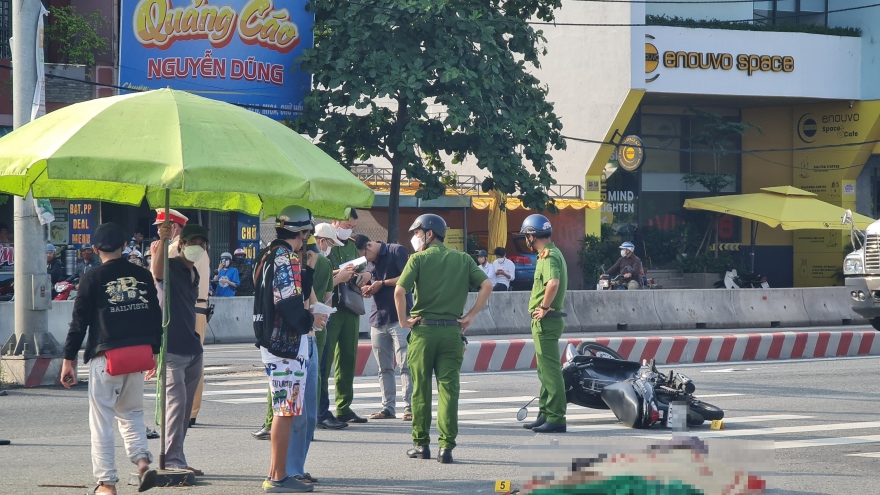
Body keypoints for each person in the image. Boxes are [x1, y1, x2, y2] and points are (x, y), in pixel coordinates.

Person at [60, 222, 162, 494]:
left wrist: (68, 359)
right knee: (132, 413)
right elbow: (155, 314)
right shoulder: (142, 275)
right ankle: (142, 461)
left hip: (107, 356)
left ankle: (106, 483)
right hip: (139, 355)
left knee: (102, 421)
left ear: (95, 249)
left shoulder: (91, 277)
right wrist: (155, 351)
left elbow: (78, 322)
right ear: (124, 247)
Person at [395, 214, 493, 464]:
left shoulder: (417, 259)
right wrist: (470, 316)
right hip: (452, 332)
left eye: (417, 233)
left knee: (421, 390)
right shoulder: (462, 258)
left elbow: (399, 290)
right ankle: (446, 448)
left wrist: (405, 321)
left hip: (423, 332)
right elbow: (487, 285)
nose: (415, 238)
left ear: (429, 234)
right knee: (449, 390)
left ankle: (421, 444)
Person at [253, 205, 328, 493]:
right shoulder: (284, 257)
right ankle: (278, 476)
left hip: (272, 342)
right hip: (286, 344)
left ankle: (278, 472)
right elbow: (288, 302)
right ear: (302, 232)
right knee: (285, 412)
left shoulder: (267, 254)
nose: (307, 239)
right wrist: (311, 319)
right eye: (307, 233)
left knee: (284, 410)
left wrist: (306, 269)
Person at [149, 222, 209, 476]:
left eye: (202, 244)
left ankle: (177, 457)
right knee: (175, 407)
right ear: (182, 244)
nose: (198, 247)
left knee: (184, 412)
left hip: (192, 347)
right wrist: (163, 242)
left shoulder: (193, 272)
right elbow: (157, 272)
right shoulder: (171, 266)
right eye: (193, 242)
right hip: (172, 348)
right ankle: (172, 462)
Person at [319, 209, 371, 428]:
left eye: (352, 227)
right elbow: (320, 274)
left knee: (348, 357)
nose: (349, 230)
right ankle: (321, 407)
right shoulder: (322, 246)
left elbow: (364, 270)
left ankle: (344, 406)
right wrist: (338, 275)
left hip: (350, 305)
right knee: (325, 359)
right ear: (335, 222)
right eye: (346, 225)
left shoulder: (350, 245)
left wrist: (364, 275)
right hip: (331, 306)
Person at [520, 214, 569, 434]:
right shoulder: (548, 254)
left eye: (526, 235)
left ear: (532, 235)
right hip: (546, 321)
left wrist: (545, 307)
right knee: (545, 370)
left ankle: (556, 417)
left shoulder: (548, 256)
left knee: (550, 371)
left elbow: (553, 283)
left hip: (547, 321)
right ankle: (545, 413)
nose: (526, 239)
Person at [357, 235, 413, 421]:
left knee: (406, 364)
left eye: (366, 255)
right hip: (378, 317)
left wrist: (382, 283)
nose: (367, 260)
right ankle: (388, 407)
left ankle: (410, 407)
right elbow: (371, 282)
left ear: (370, 245)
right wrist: (368, 288)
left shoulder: (396, 250)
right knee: (384, 368)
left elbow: (407, 278)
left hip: (400, 316)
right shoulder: (369, 264)